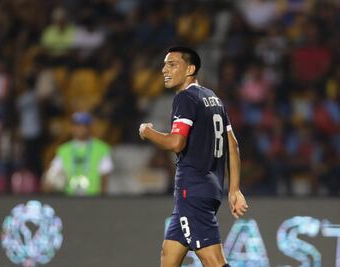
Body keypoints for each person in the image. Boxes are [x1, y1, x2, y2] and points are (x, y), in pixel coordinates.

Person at [139, 46, 248, 267]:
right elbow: (233, 145)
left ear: (190, 69)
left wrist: (147, 132)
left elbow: (176, 143)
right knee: (169, 254)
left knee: (214, 261)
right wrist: (234, 189)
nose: (164, 70)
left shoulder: (186, 98)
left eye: (172, 64)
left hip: (193, 190)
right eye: (164, 64)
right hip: (209, 189)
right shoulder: (213, 98)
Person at [43, 112, 113, 196]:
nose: (79, 129)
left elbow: (104, 177)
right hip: (70, 198)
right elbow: (52, 173)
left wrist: (102, 200)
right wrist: (50, 183)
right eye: (76, 125)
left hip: (93, 198)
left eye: (83, 125)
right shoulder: (64, 150)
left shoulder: (101, 149)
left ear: (89, 127)